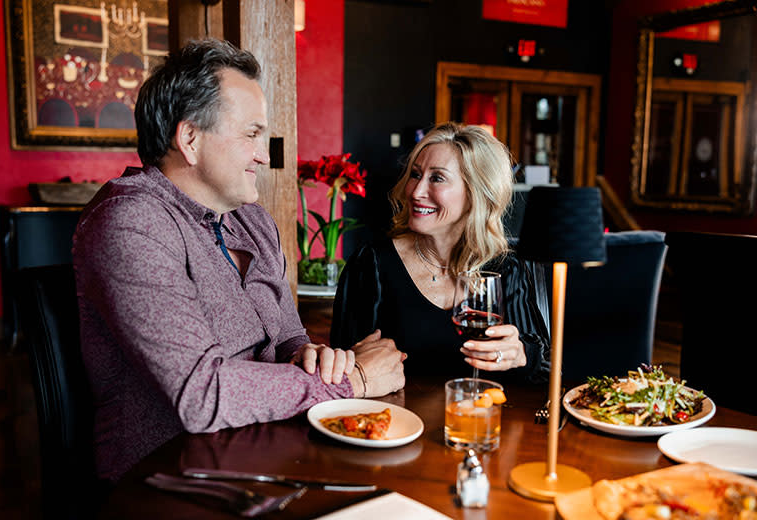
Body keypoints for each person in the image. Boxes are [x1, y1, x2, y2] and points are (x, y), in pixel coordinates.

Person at [73, 39, 405, 483]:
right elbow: (201, 394)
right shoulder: (130, 224)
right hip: (168, 480)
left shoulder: (252, 221)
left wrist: (318, 359)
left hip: (269, 456)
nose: (264, 154)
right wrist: (353, 382)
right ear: (189, 138)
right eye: (251, 134)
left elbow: (290, 340)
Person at [331, 122, 550, 382]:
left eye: (437, 178)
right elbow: (342, 371)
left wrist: (521, 354)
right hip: (397, 420)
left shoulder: (506, 268)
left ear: (475, 193)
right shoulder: (372, 264)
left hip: (481, 419)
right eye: (415, 174)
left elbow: (545, 367)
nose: (416, 191)